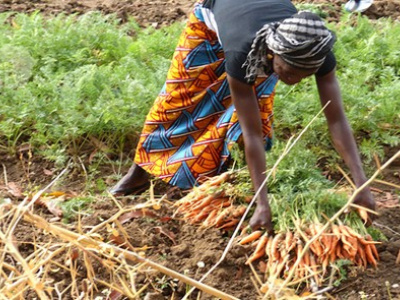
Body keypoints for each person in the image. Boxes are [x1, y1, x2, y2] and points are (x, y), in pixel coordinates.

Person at [110, 0, 375, 233]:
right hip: (213, 22)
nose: (292, 82)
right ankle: (140, 171)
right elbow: (253, 135)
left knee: (247, 117)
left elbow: (336, 119)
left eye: (302, 76)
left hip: (259, 31)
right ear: (273, 53)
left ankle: (221, 179)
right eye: (288, 72)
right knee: (176, 102)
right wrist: (264, 203)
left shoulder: (316, 51)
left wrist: (362, 183)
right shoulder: (244, 51)